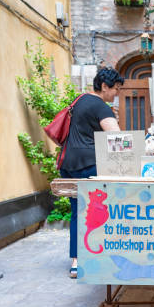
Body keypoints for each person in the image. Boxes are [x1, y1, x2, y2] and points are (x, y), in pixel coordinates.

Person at [59, 67, 124, 278]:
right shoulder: (100, 106)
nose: (116, 94)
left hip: (68, 163)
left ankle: (77, 261)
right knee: (103, 210)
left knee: (78, 211)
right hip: (90, 165)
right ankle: (101, 256)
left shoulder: (79, 101)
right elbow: (117, 140)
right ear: (104, 86)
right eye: (115, 89)